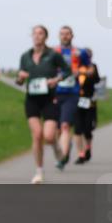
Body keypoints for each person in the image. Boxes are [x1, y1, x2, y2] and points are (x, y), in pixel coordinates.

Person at [16, 25, 71, 184]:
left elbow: (67, 71)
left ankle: (57, 149)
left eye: (41, 34)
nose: (37, 36)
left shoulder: (53, 55)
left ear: (46, 37)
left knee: (48, 136)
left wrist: (56, 80)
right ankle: (39, 172)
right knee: (37, 135)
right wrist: (20, 77)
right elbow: (19, 80)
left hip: (50, 99)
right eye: (35, 33)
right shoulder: (25, 56)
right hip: (32, 99)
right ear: (32, 36)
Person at [52, 25, 82, 170]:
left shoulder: (79, 52)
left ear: (72, 36)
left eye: (67, 34)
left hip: (72, 93)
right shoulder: (52, 52)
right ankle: (65, 147)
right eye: (62, 34)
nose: (64, 36)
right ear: (59, 36)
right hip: (55, 93)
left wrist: (80, 72)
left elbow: (90, 69)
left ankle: (62, 158)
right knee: (56, 130)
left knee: (65, 126)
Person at [73, 49, 100, 163]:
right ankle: (81, 154)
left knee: (87, 128)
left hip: (89, 101)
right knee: (77, 129)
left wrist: (90, 73)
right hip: (76, 100)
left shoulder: (92, 66)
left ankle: (88, 147)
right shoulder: (75, 66)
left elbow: (97, 80)